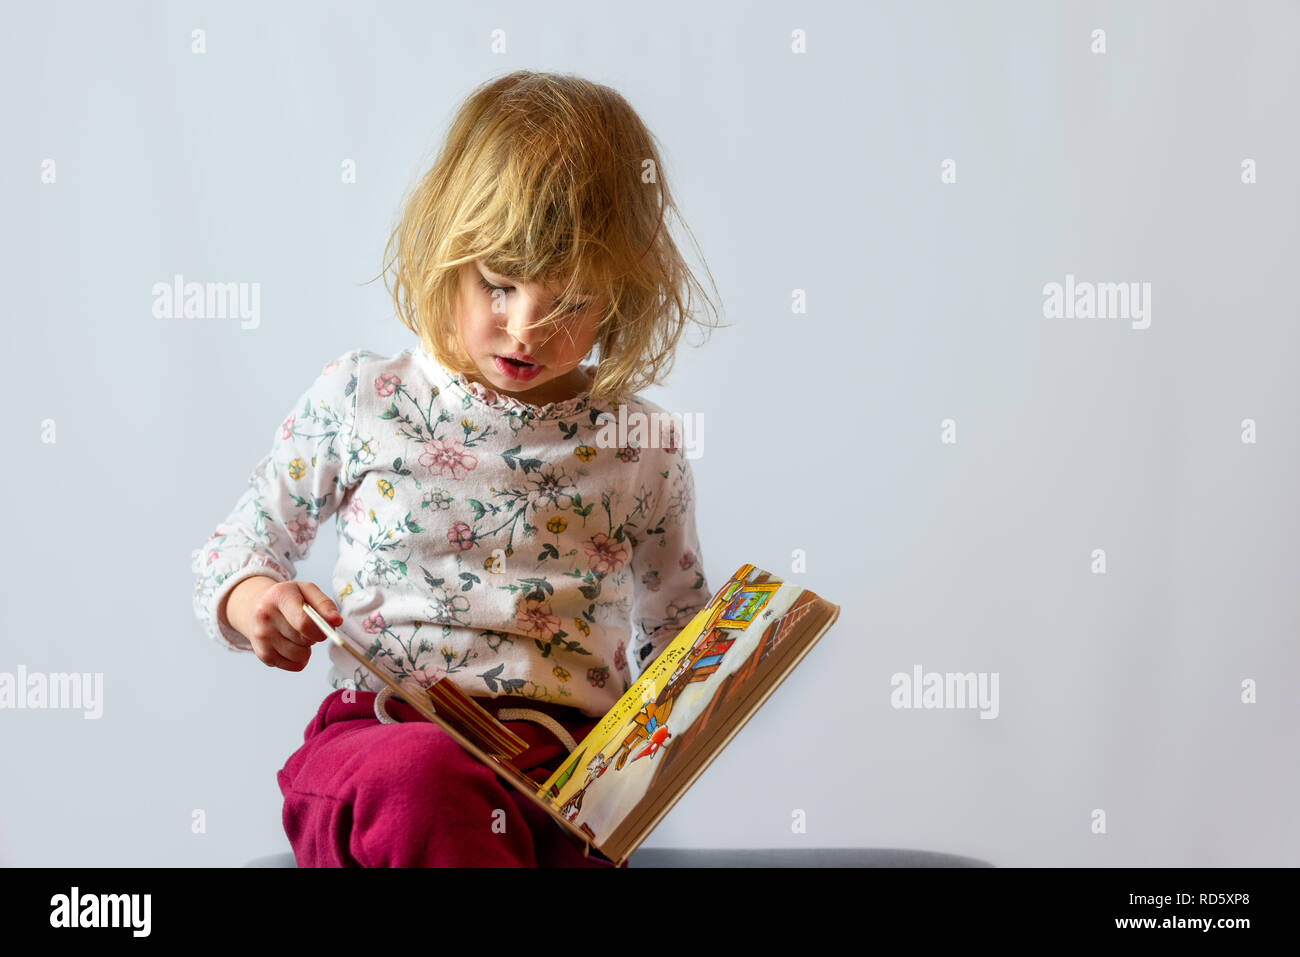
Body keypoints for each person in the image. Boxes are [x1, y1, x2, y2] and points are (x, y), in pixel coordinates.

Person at [190, 71, 726, 867]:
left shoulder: (637, 442)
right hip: (384, 744)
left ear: (619, 297)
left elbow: (674, 628)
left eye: (570, 302)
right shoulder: (364, 397)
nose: (524, 330)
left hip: (560, 769)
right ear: (450, 253)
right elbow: (232, 552)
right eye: (499, 286)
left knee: (578, 830)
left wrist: (725, 671)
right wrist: (256, 601)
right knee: (426, 784)